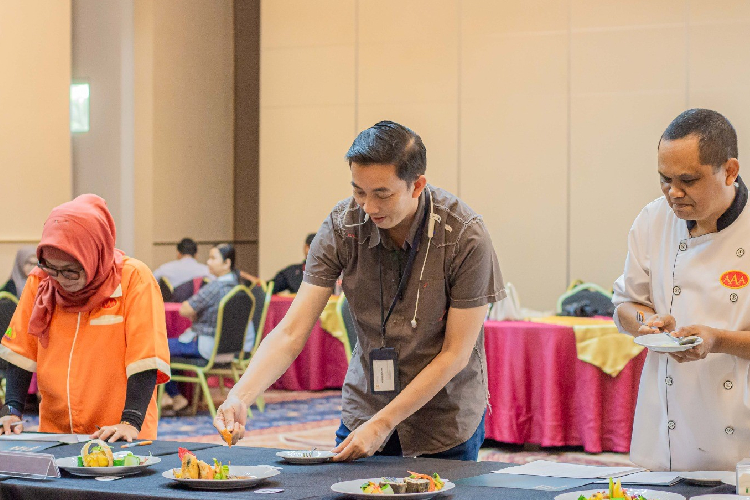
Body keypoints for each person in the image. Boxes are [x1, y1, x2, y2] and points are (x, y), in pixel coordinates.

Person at [215, 121, 505, 461]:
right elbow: (292, 331)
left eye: (382, 193)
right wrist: (240, 395)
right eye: (359, 191)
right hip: (364, 408)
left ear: (417, 185)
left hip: (442, 419)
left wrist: (382, 424)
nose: (368, 207)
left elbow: (454, 354)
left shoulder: (464, 235)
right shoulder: (342, 226)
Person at [613, 108, 750, 471]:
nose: (673, 192)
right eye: (664, 178)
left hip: (740, 435)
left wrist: (717, 340)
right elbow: (626, 304)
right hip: (666, 431)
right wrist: (647, 322)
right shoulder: (653, 219)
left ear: (730, 171)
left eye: (688, 180)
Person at [0, 194, 170, 441]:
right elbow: (21, 350)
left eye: (70, 270)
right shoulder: (41, 280)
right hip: (57, 433)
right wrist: (12, 410)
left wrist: (130, 422)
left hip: (119, 433)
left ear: (94, 255)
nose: (60, 280)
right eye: (52, 268)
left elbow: (146, 357)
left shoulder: (134, 279)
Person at [162, 243, 252, 414]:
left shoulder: (214, 287)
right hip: (228, 351)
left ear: (227, 263)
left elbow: (185, 309)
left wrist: (195, 315)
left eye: (213, 258)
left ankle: (172, 396)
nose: (208, 262)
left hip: (206, 347)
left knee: (156, 347)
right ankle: (174, 397)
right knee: (171, 349)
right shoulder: (239, 288)